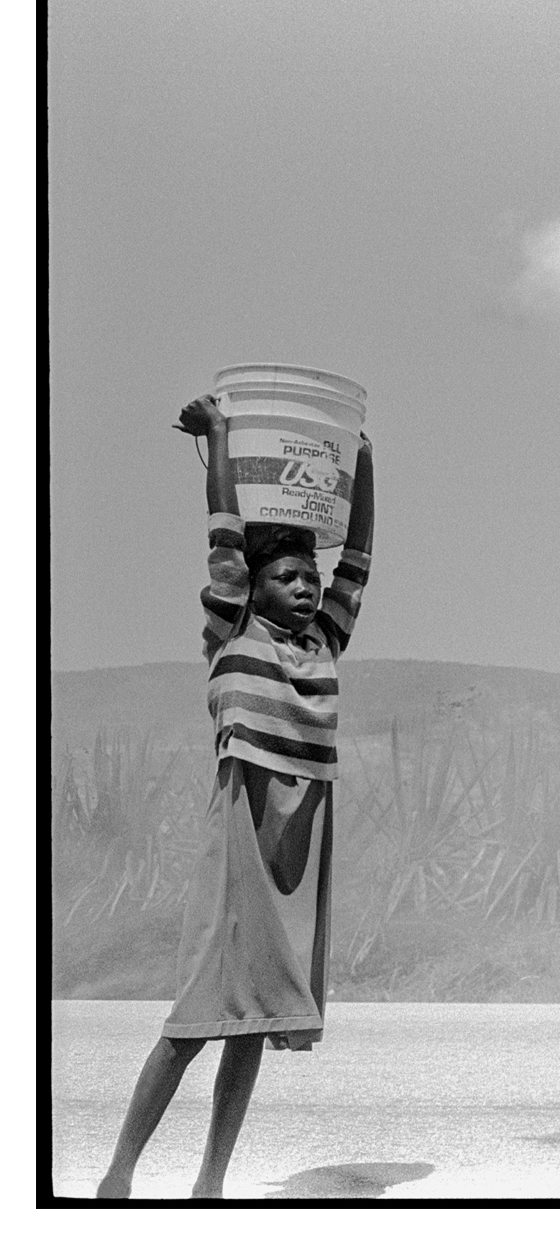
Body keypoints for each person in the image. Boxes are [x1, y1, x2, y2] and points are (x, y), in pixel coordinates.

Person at [97, 394, 375, 1198]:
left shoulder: (325, 639)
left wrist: (361, 465)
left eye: (309, 576)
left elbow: (359, 554)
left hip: (304, 834)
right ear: (251, 588)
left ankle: (210, 1182)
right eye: (287, 576)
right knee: (194, 1018)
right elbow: (223, 536)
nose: (305, 586)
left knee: (252, 1018)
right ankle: (118, 1175)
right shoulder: (232, 634)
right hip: (243, 829)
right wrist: (218, 436)